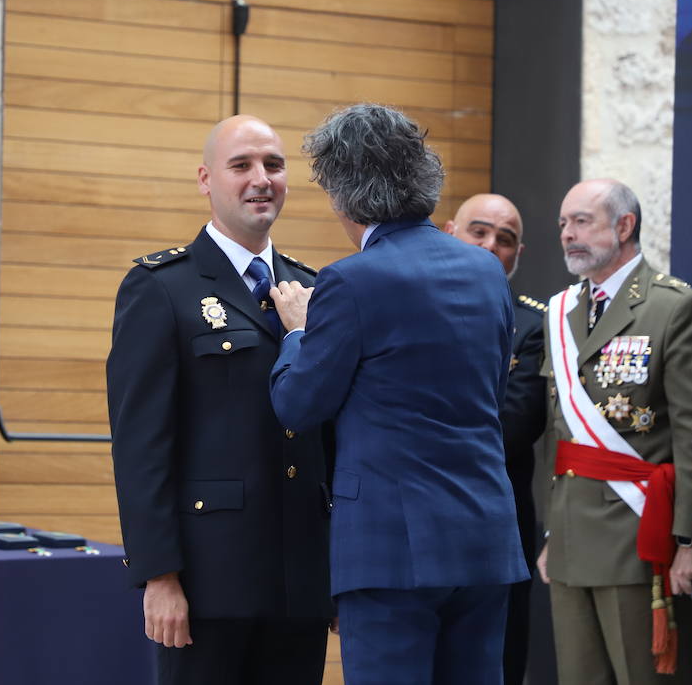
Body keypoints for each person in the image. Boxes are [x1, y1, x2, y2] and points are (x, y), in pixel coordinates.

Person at [268, 104, 527, 685]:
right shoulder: (487, 272)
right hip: (483, 538)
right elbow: (493, 388)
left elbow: (298, 405)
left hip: (391, 550)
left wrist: (297, 335)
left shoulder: (350, 281)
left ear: (343, 194)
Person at [105, 115, 333, 685]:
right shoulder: (162, 286)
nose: (262, 179)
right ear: (206, 180)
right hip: (209, 583)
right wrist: (159, 577)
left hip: (298, 580)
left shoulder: (313, 289)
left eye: (274, 165)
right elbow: (140, 445)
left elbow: (325, 434)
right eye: (242, 166)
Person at [538, 178, 692, 684]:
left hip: (639, 536)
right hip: (571, 536)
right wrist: (552, 530)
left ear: (624, 225)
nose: (568, 234)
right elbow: (557, 435)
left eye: (582, 222)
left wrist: (690, 539)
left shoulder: (673, 307)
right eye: (563, 224)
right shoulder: (561, 312)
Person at [443, 193, 548, 685]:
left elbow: (514, 426)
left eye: (505, 240)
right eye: (478, 231)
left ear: (517, 255)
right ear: (448, 232)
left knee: (496, 665)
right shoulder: (409, 304)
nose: (490, 247)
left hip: (494, 523)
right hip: (412, 520)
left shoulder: (533, 325)